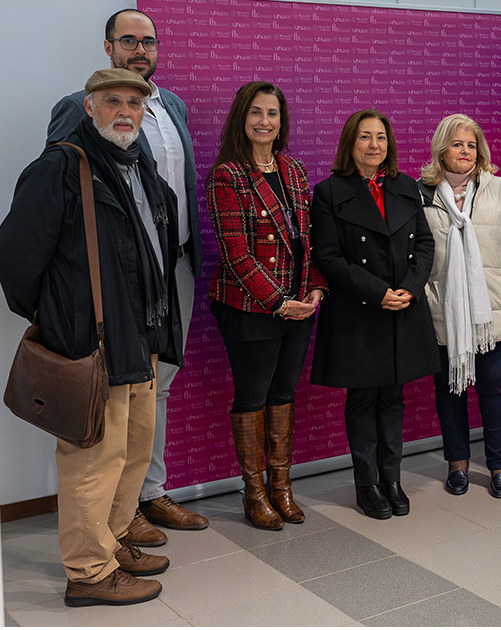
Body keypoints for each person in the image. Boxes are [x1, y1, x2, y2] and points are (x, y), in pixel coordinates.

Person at [0, 69, 182, 606]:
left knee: (132, 450)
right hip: (90, 343)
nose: (124, 110)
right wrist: (59, 320)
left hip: (142, 338)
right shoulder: (60, 167)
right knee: (92, 459)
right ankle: (88, 571)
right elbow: (15, 258)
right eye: (112, 101)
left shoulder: (138, 168)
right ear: (89, 106)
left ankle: (117, 537)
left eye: (134, 102)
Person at [47, 8, 207, 544]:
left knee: (155, 386)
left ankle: (147, 494)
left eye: (149, 42)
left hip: (173, 265)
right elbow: (57, 198)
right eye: (129, 41)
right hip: (115, 281)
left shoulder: (173, 106)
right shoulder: (78, 107)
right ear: (108, 47)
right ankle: (117, 511)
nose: (141, 50)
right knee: (115, 396)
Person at [206, 81, 326, 530]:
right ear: (243, 118)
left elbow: (308, 239)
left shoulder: (292, 169)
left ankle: (282, 487)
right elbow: (234, 253)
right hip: (250, 308)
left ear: (282, 121)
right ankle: (254, 493)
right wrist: (279, 302)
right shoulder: (228, 175)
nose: (264, 121)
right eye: (256, 112)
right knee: (253, 396)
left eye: (272, 113)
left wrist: (314, 289)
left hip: (299, 305)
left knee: (283, 395)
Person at [309, 110, 440, 519]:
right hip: (359, 311)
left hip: (403, 307)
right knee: (363, 399)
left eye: (381, 138)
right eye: (365, 137)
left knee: (394, 398)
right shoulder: (329, 192)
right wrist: (379, 293)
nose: (374, 146)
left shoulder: (405, 186)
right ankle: (366, 485)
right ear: (350, 143)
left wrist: (410, 289)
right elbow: (328, 258)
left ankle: (392, 480)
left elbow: (426, 245)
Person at [419, 114, 501, 499]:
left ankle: (500, 467)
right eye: (457, 144)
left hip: (493, 314)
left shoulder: (499, 189)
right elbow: (414, 254)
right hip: (444, 315)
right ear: (441, 150)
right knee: (450, 391)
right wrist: (428, 296)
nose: (465, 151)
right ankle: (458, 465)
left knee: (495, 389)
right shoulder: (422, 194)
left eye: (471, 145)